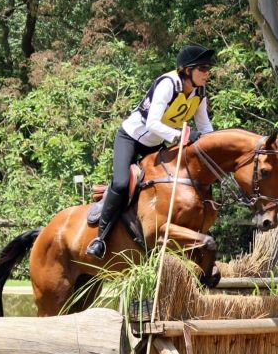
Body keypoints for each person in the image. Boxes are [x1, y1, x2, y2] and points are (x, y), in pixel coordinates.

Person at [86, 44, 215, 259]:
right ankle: (100, 238)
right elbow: (153, 123)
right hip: (131, 138)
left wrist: (213, 146)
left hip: (156, 144)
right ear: (186, 70)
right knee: (120, 182)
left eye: (207, 69)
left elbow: (205, 128)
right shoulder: (168, 84)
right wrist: (182, 136)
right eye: (202, 68)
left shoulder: (199, 93)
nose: (206, 73)